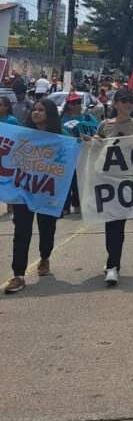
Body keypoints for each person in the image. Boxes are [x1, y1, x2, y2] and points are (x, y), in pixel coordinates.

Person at [4, 99, 65, 294]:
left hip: (47, 191)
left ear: (50, 114)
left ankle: (45, 256)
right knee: (22, 231)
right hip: (24, 191)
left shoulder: (61, 137)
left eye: (41, 110)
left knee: (47, 228)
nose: (36, 113)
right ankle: (18, 275)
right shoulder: (22, 135)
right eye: (34, 109)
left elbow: (71, 157)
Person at [90, 88, 133, 286]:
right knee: (111, 223)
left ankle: (113, 264)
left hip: (127, 183)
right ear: (115, 104)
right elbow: (95, 151)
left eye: (131, 100)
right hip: (107, 181)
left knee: (119, 223)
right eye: (123, 100)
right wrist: (94, 142)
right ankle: (112, 262)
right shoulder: (104, 126)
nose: (128, 103)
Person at [60, 94, 99, 215]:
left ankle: (78, 203)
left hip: (83, 153)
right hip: (67, 154)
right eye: (73, 103)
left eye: (78, 102)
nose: (76, 105)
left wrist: (89, 137)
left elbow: (97, 130)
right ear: (68, 105)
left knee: (80, 180)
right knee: (66, 181)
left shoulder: (87, 117)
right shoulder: (62, 119)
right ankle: (65, 206)